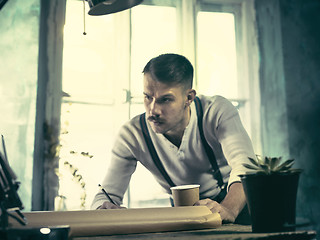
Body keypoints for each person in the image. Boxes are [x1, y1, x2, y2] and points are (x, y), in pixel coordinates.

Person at [91, 53, 255, 223]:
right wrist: (103, 208)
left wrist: (228, 208)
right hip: (182, 215)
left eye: (166, 100)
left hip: (235, 205)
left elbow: (245, 166)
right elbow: (106, 194)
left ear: (189, 97)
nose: (153, 110)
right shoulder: (132, 134)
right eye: (148, 97)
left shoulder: (216, 111)